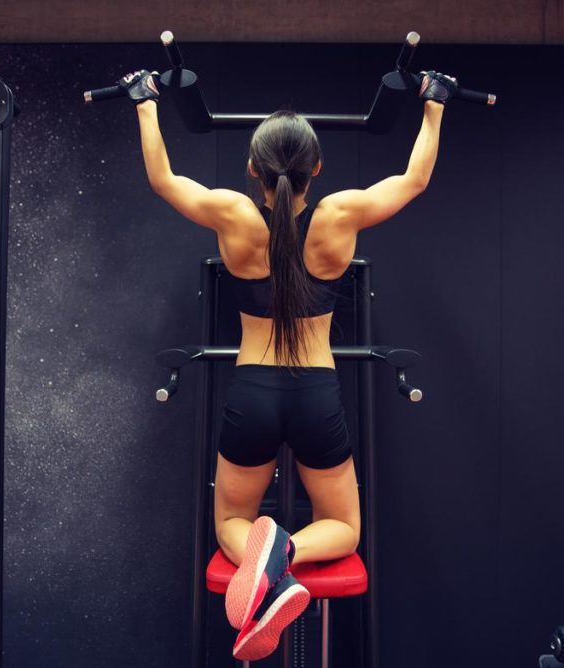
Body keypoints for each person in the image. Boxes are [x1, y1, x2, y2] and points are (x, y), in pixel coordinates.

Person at [120, 67, 456, 660]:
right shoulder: (340, 217)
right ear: (316, 170)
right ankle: (289, 555)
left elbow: (164, 179)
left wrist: (145, 101)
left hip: (252, 389)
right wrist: (434, 103)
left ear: (253, 169)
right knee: (345, 527)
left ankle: (265, 555)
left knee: (230, 519)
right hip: (315, 392)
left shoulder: (232, 215)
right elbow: (415, 179)